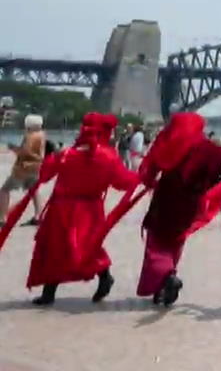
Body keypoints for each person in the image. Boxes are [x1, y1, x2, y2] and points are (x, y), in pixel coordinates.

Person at [1, 112, 138, 306]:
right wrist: (143, 175)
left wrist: (49, 157)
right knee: (88, 248)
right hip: (90, 209)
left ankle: (51, 292)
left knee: (54, 248)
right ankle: (103, 276)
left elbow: (46, 175)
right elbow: (123, 182)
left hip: (62, 208)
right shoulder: (108, 157)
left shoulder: (66, 155)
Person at [132, 113, 221, 306]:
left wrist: (149, 182)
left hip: (165, 198)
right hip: (190, 203)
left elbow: (148, 173)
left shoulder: (165, 142)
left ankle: (167, 278)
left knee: (156, 244)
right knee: (176, 241)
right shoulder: (206, 147)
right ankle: (164, 283)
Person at [0, 115, 46, 225]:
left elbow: (25, 153)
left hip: (24, 167)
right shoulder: (42, 134)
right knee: (34, 191)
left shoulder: (30, 136)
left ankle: (2, 218)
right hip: (37, 166)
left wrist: (13, 148)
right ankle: (38, 215)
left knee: (4, 190)